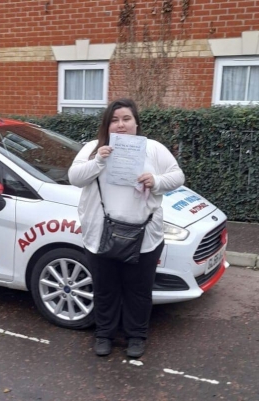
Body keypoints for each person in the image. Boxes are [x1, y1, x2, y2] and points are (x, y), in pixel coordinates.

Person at [68, 98, 185, 358]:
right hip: (100, 235)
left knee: (139, 291)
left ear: (136, 123)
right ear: (107, 124)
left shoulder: (152, 149)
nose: (120, 125)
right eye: (114, 120)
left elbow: (178, 176)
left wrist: (156, 180)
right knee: (105, 289)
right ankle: (104, 335)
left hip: (144, 236)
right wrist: (98, 160)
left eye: (126, 119)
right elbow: (74, 178)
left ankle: (136, 336)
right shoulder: (92, 148)